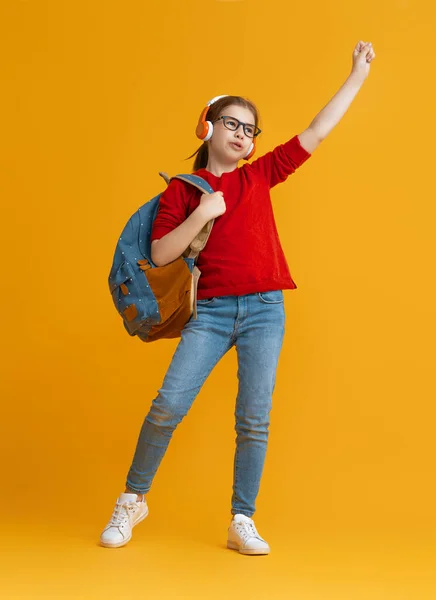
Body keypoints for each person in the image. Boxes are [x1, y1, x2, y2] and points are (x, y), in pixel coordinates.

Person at [100, 40, 376, 554]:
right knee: (167, 406)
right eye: (232, 124)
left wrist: (356, 76)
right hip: (210, 314)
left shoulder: (259, 175)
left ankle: (241, 518)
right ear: (207, 126)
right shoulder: (182, 191)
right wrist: (203, 212)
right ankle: (132, 500)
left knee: (254, 416)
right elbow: (160, 254)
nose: (242, 135)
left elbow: (316, 132)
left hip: (265, 309)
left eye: (250, 130)